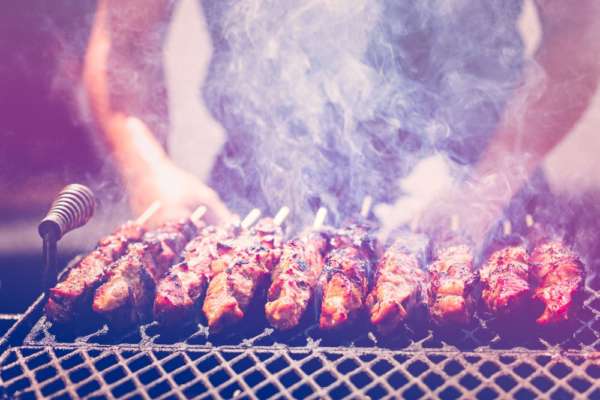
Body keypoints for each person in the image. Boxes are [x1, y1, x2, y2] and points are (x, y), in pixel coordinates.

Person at [83, 0, 600, 243]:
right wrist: (149, 172)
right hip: (259, 210)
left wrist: (488, 184)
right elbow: (123, 42)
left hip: (485, 200)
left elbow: (580, 28)